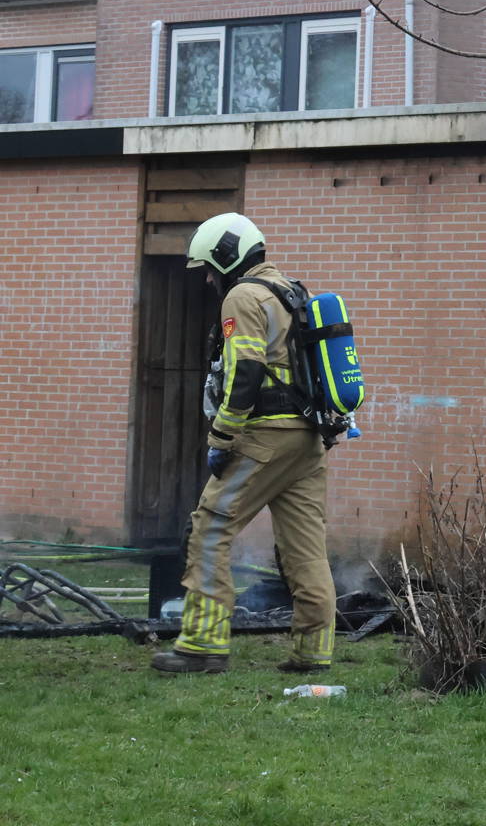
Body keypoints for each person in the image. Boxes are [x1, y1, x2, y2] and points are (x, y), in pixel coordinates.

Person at [152, 213, 336, 675]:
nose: (210, 278)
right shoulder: (293, 293)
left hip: (265, 438)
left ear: (227, 256)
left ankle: (203, 644)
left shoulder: (243, 296)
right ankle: (314, 652)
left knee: (210, 527)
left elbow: (246, 371)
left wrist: (222, 434)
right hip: (308, 440)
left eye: (211, 267)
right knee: (306, 548)